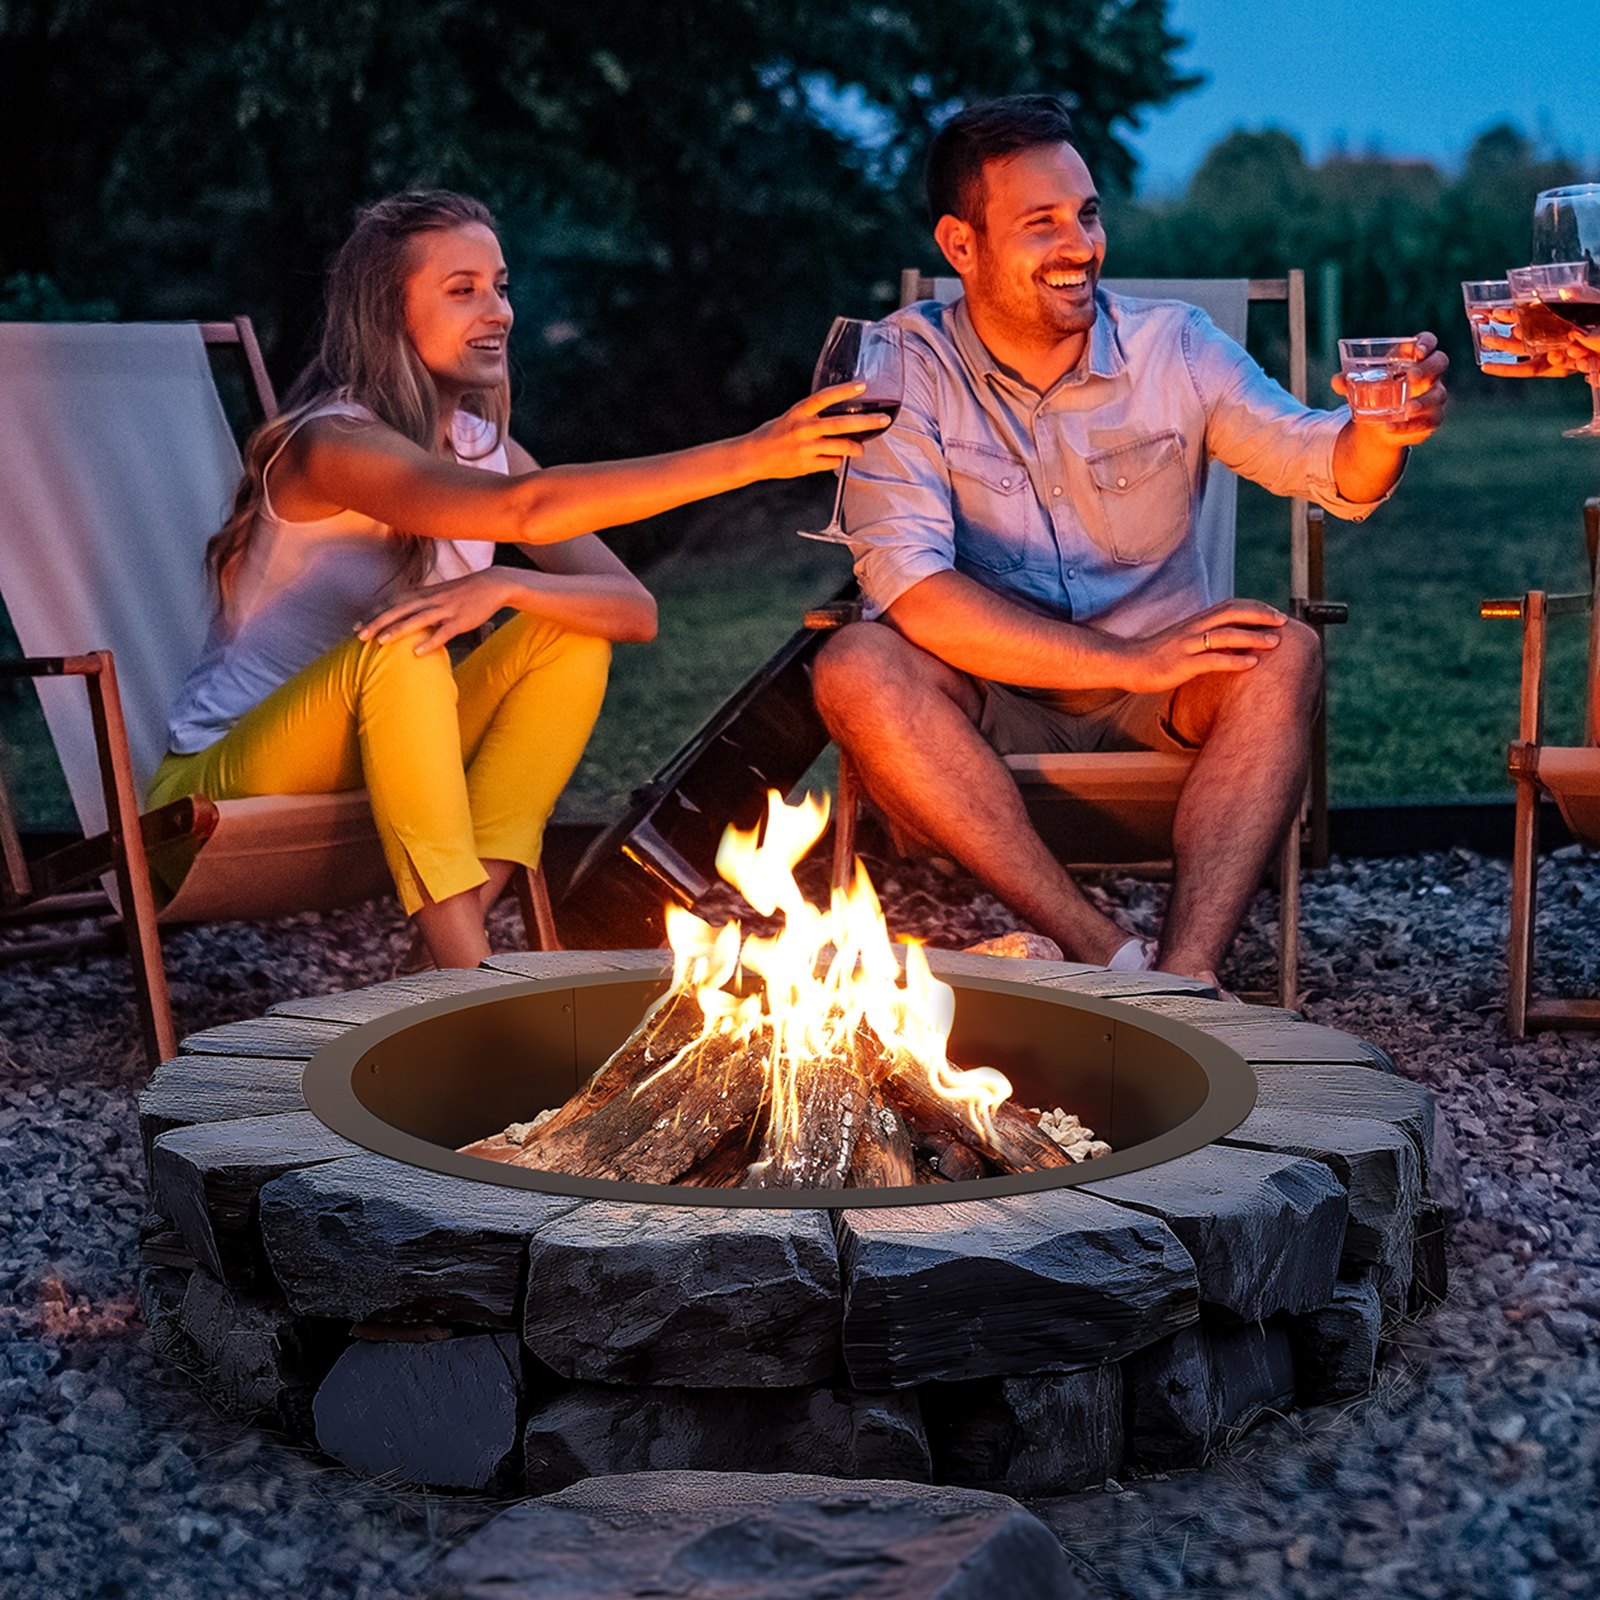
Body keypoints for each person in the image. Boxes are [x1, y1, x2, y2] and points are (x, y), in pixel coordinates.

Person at [150, 190, 885, 972]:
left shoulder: (483, 446)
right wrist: (751, 455)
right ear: (388, 312)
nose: (498, 310)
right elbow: (524, 511)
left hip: (377, 761)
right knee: (405, 648)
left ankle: (447, 957)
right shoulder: (330, 444)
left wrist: (509, 587)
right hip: (226, 789)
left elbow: (632, 610)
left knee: (570, 637)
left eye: (500, 287)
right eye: (462, 289)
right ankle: (473, 983)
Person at [812, 97, 1448, 989]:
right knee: (855, 664)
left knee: (1284, 652)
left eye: (1088, 214)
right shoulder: (902, 368)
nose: (1080, 246)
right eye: (1042, 223)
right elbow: (917, 595)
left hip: (1164, 707)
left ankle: (1185, 982)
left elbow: (1323, 461)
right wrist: (1129, 658)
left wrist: (1382, 432)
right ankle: (1101, 951)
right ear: (961, 245)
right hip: (988, 698)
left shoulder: (1173, 346)